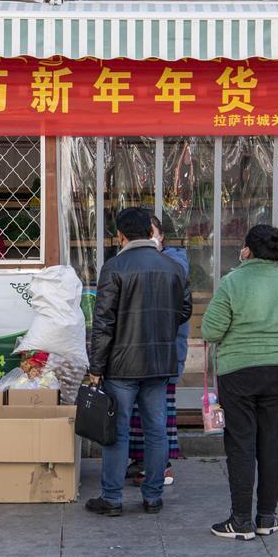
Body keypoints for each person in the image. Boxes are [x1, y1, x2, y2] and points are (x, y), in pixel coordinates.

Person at [201, 224, 278, 540]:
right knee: (273, 446)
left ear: (246, 250)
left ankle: (240, 521)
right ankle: (267, 517)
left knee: (241, 445)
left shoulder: (232, 282)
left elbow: (210, 331)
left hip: (237, 374)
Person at [86, 207, 192, 517]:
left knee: (117, 432)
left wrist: (96, 368)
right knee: (156, 430)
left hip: (122, 365)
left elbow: (103, 323)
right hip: (159, 363)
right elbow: (184, 311)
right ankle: (153, 497)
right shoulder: (173, 267)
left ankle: (112, 498)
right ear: (150, 232)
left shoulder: (114, 267)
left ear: (120, 236)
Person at [127, 216, 188, 486]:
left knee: (157, 414)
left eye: (152, 232)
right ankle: (142, 461)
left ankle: (162, 467)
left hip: (164, 352)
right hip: (139, 351)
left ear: (161, 236)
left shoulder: (174, 264)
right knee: (139, 414)